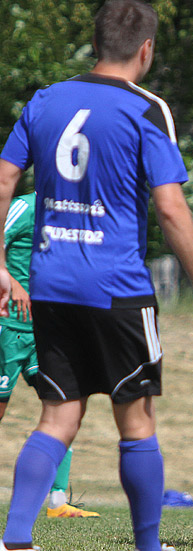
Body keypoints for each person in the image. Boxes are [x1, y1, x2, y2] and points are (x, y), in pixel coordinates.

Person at [0, 0, 193, 551]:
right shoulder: (146, 109)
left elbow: (4, 179)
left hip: (50, 285)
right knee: (137, 417)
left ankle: (15, 546)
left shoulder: (45, 100)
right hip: (117, 286)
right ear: (145, 49)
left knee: (57, 415)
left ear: (95, 42)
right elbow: (171, 208)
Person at [0, 191, 99, 519]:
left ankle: (57, 501)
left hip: (48, 330)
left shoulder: (74, 212)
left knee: (66, 404)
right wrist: (9, 279)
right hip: (8, 327)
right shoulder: (24, 206)